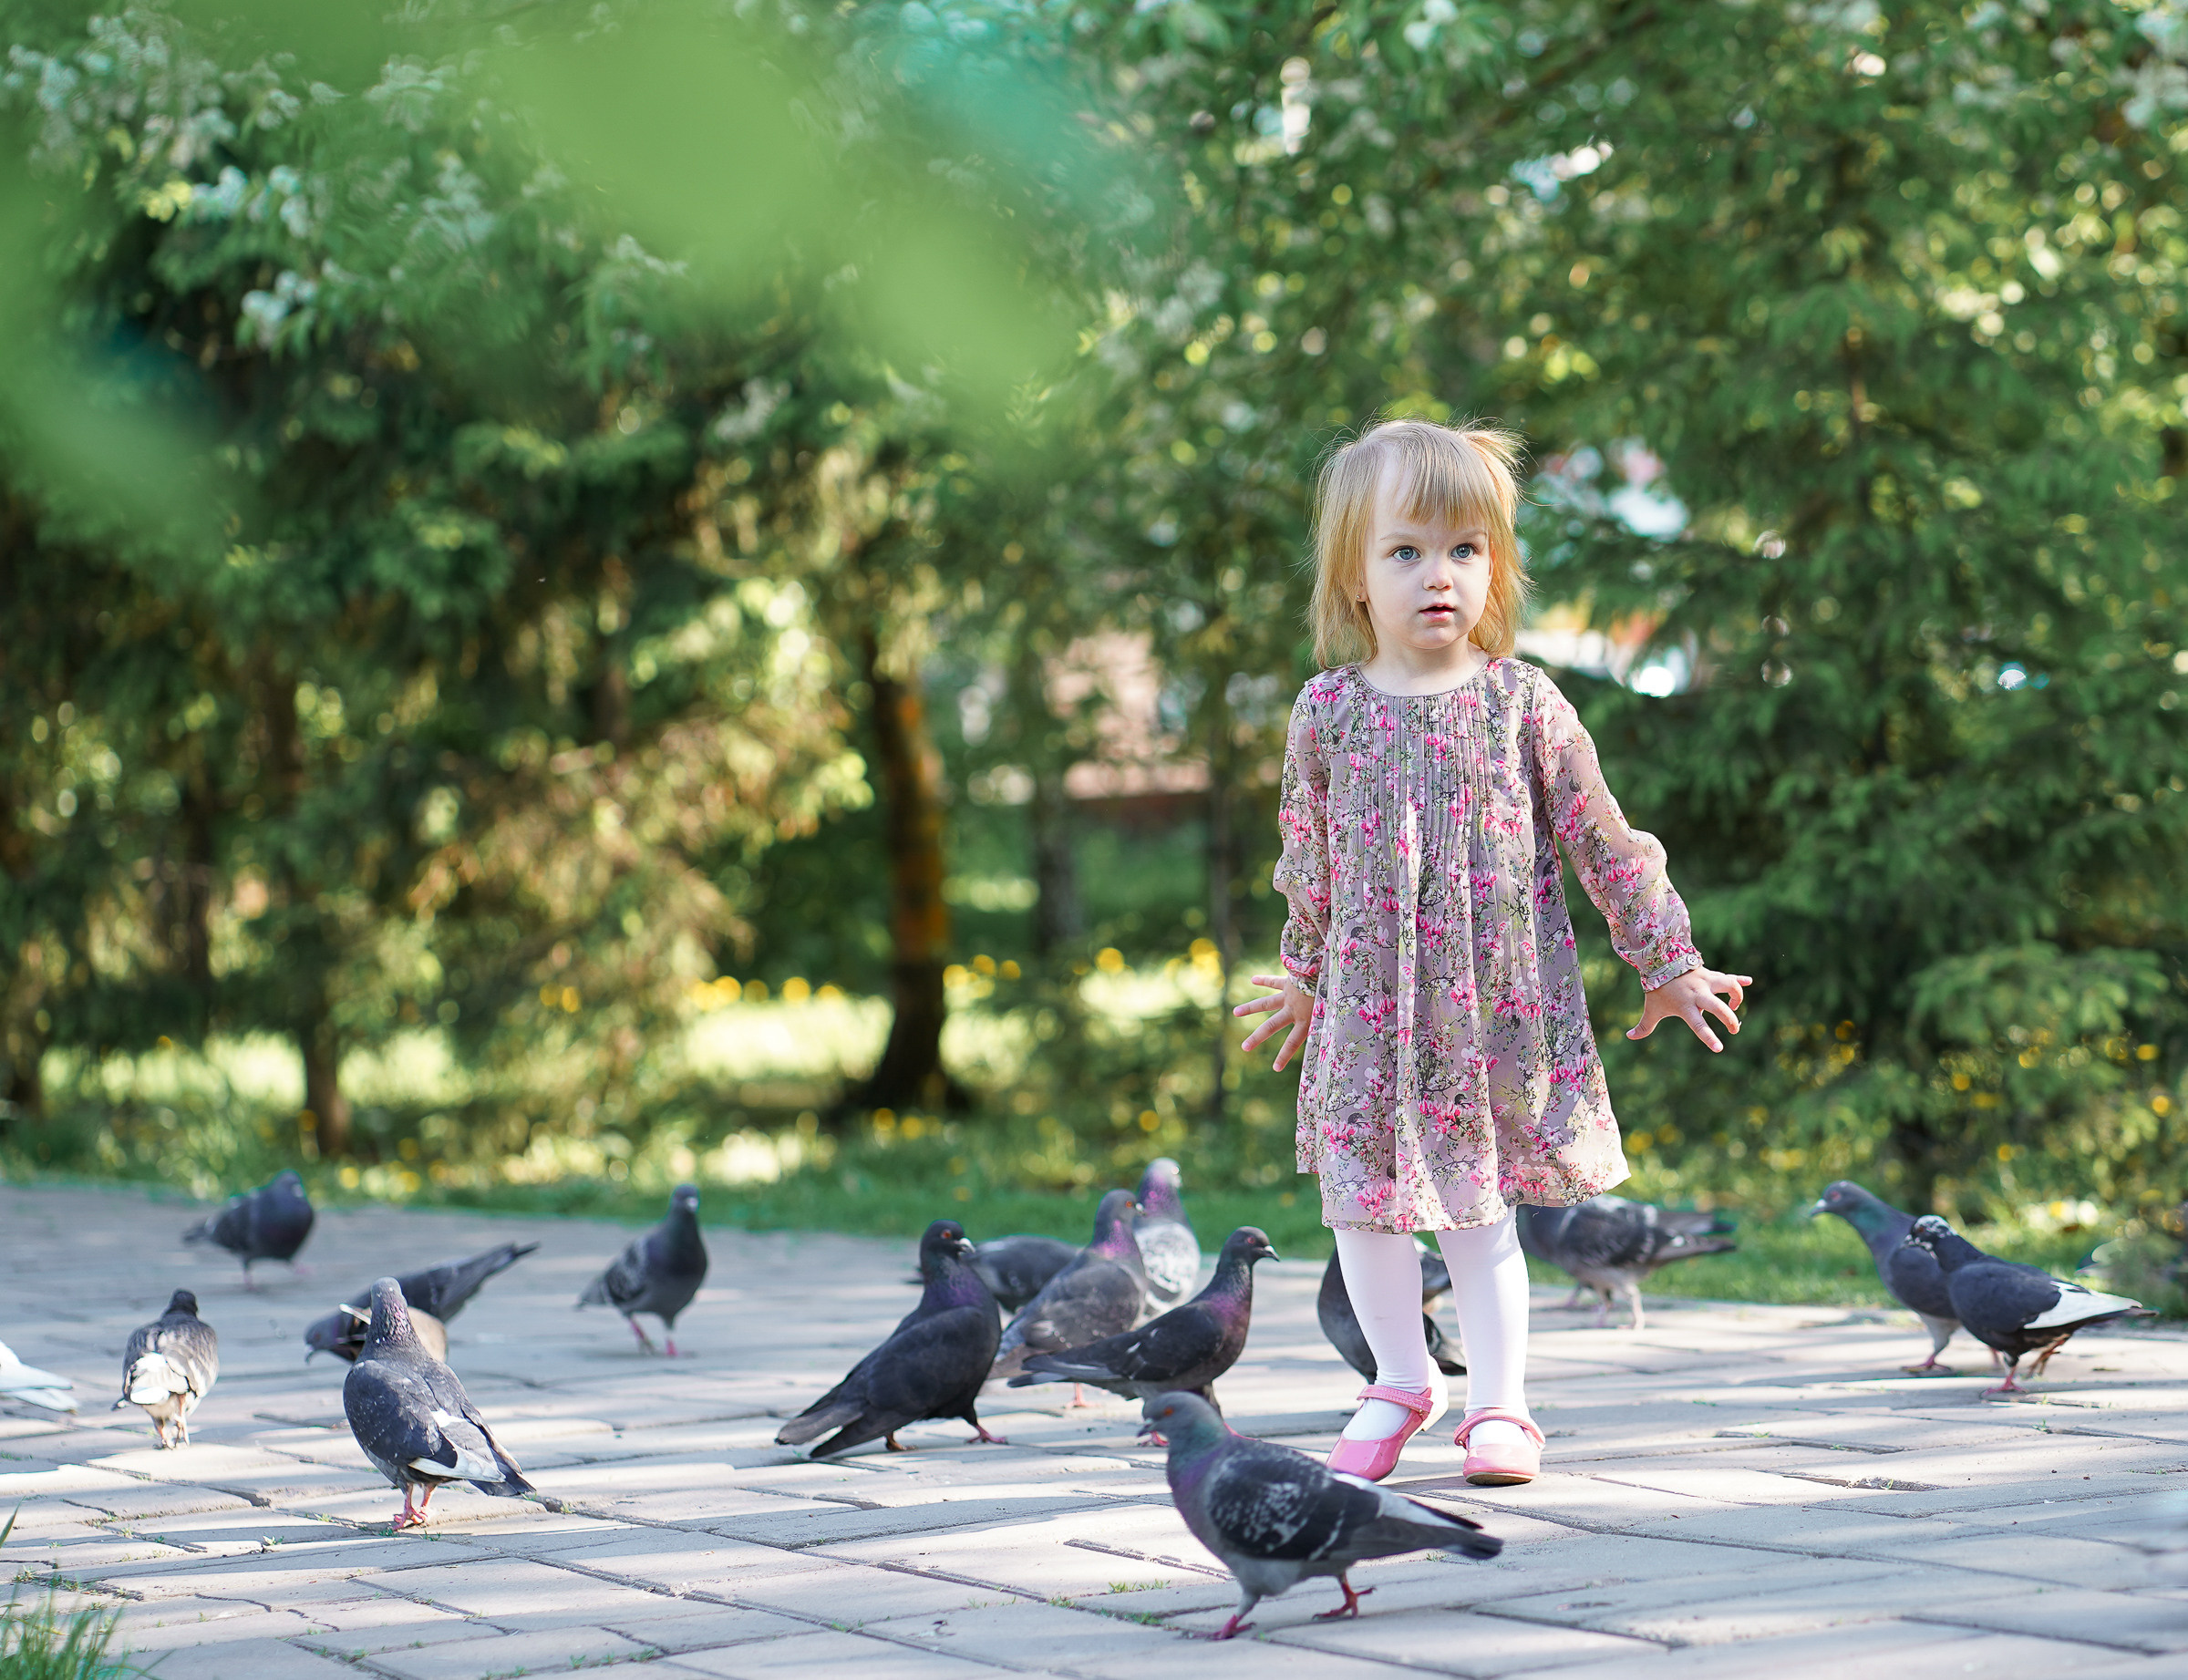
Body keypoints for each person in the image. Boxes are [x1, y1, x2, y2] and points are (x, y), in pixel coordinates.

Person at [1234, 417, 1749, 1486]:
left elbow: (1605, 840)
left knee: (1479, 1213)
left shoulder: (1524, 703)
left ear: (1495, 565)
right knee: (1361, 1207)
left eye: (1464, 549)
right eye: (1406, 551)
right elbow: (1308, 860)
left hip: (1487, 1018)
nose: (1439, 575)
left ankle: (1500, 1404)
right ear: (1355, 575)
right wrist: (1304, 975)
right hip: (1367, 1018)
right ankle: (1398, 1379)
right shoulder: (1327, 713)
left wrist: (1666, 959)